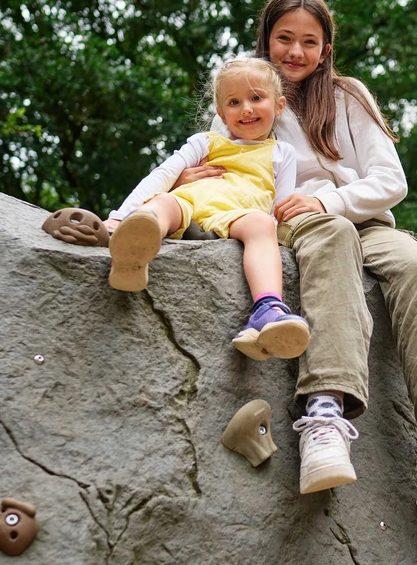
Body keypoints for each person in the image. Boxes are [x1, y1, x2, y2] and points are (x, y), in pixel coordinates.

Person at [183, 0, 417, 565]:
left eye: (309, 40)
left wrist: (327, 198)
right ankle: (324, 413)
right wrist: (194, 173)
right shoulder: (243, 91)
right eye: (285, 38)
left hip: (358, 214)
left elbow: (389, 179)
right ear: (266, 40)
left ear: (326, 47)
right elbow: (218, 161)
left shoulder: (346, 96)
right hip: (287, 224)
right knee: (330, 240)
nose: (296, 50)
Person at [105, 57, 310, 361]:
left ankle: (267, 309)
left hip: (238, 214)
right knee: (162, 203)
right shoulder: (205, 142)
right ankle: (131, 252)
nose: (246, 108)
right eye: (234, 102)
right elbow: (162, 175)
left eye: (256, 98)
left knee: (263, 226)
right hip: (191, 201)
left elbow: (279, 206)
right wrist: (120, 216)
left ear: (279, 106)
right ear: (221, 113)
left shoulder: (282, 152)